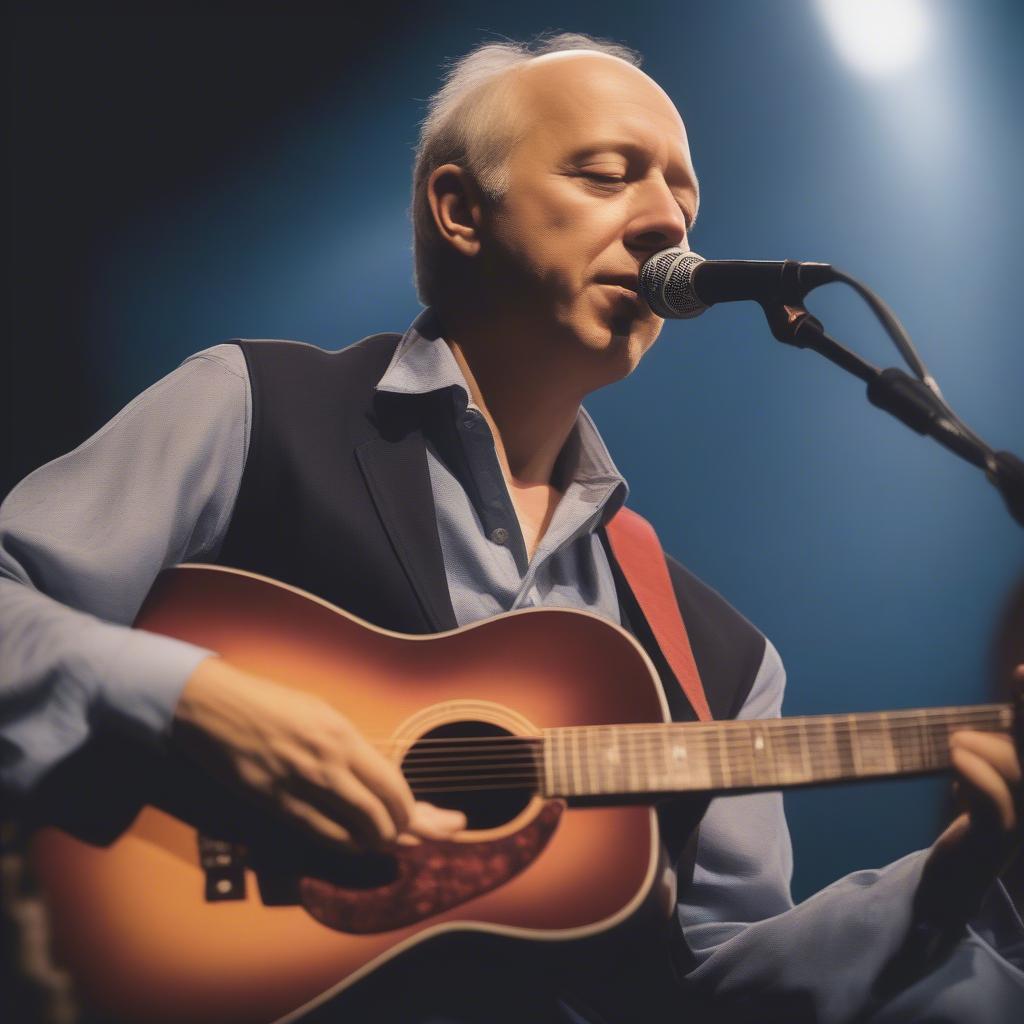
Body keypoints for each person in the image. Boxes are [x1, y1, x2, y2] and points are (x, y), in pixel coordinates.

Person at [1, 32, 1022, 1024]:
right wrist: (194, 702)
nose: (669, 219)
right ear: (459, 209)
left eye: (684, 192)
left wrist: (943, 889)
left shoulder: (720, 658)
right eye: (609, 174)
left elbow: (710, 985)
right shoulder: (251, 407)